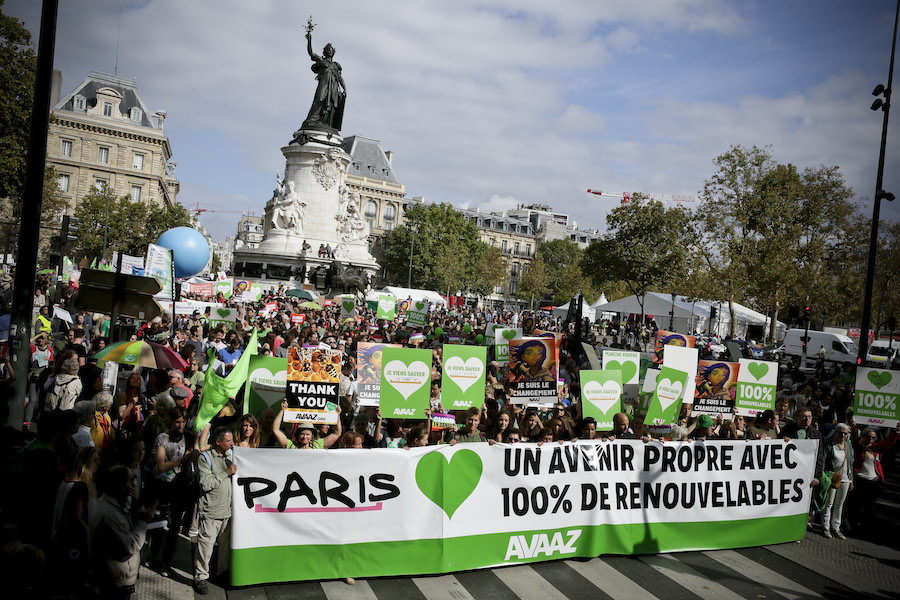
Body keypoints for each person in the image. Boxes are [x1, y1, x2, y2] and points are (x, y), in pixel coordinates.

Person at [92, 465, 155, 600]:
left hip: (120, 577)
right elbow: (129, 546)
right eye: (131, 481)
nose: (133, 485)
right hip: (115, 582)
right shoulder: (109, 514)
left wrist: (137, 504)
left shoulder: (117, 504)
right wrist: (144, 521)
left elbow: (129, 524)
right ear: (120, 485)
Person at [194, 426, 236, 595]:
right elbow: (205, 483)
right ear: (218, 442)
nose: (232, 443)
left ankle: (221, 573)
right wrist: (226, 472)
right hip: (211, 512)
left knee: (225, 548)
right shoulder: (205, 458)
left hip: (227, 511)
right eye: (229, 441)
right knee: (205, 547)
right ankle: (200, 578)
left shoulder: (230, 457)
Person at [850, 423, 900, 535]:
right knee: (857, 504)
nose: (871, 439)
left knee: (870, 506)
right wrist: (853, 426)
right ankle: (853, 526)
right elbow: (854, 437)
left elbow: (888, 444)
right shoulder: (858, 448)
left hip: (873, 481)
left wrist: (895, 433)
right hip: (860, 479)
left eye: (873, 437)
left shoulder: (876, 448)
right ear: (863, 436)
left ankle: (867, 529)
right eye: (868, 436)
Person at [302, 27, 347, 131]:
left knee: (332, 104)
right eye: (328, 50)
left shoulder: (336, 65)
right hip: (324, 85)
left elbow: (340, 78)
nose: (330, 51)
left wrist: (345, 88)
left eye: (331, 50)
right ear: (325, 51)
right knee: (319, 99)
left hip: (334, 87)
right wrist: (309, 41)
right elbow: (311, 53)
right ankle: (312, 120)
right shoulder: (322, 60)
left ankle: (326, 122)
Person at [821, 423, 854, 539]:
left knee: (839, 504)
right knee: (829, 503)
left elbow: (851, 462)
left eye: (845, 433)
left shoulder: (848, 446)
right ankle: (826, 527)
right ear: (835, 432)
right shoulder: (829, 445)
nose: (843, 435)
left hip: (845, 479)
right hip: (832, 477)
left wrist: (851, 480)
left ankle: (836, 527)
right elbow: (823, 462)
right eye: (841, 433)